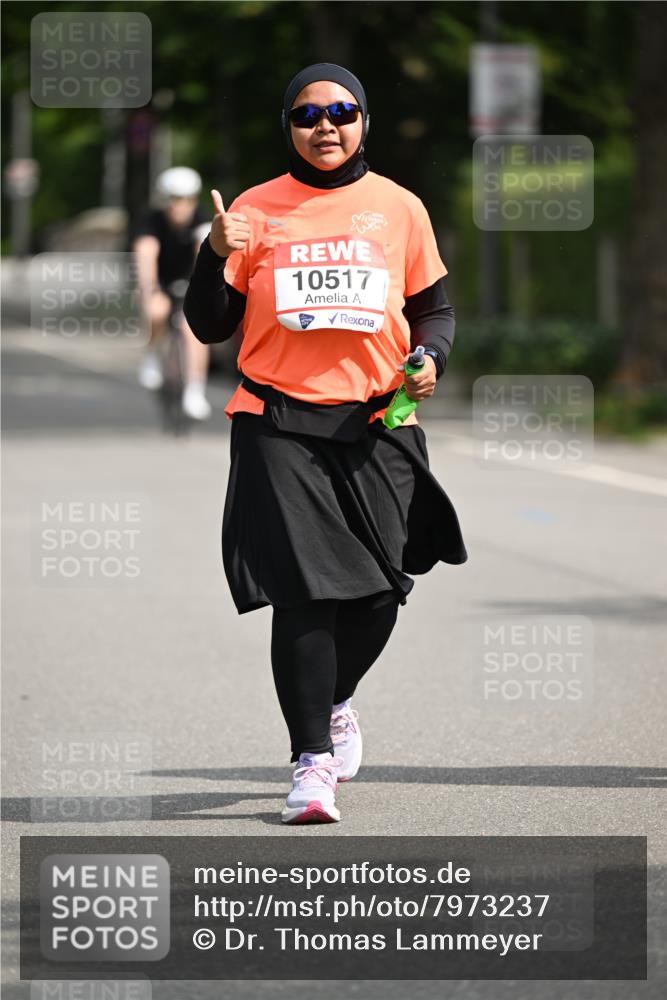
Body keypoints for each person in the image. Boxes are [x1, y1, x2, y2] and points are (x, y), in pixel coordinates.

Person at [184, 63, 467, 824]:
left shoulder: (398, 208)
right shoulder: (253, 209)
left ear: (362, 121)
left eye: (342, 111)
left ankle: (335, 700)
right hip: (277, 420)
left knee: (380, 593)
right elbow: (211, 324)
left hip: (380, 419)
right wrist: (213, 252)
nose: (325, 126)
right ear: (289, 126)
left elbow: (433, 310)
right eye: (308, 115)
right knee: (306, 592)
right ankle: (311, 764)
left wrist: (429, 359)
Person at [132, 166, 213, 420]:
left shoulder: (201, 218)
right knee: (157, 310)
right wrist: (149, 288)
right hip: (161, 282)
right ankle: (153, 355)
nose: (179, 206)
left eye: (186, 199)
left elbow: (205, 251)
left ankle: (195, 390)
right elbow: (146, 254)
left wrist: (205, 290)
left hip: (190, 283)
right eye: (174, 199)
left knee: (194, 332)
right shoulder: (152, 221)